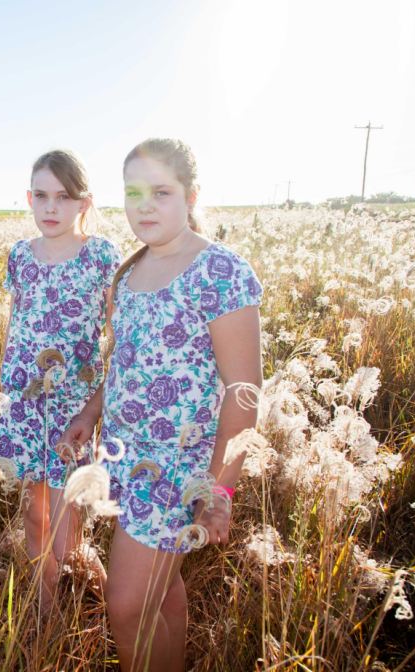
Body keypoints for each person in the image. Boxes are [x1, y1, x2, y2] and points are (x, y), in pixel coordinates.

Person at [59, 138, 263, 671]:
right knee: (161, 591)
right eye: (133, 192)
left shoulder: (219, 271)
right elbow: (123, 366)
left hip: (179, 466)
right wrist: (89, 414)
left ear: (192, 196)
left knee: (125, 607)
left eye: (161, 191)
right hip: (125, 457)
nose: (144, 205)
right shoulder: (128, 273)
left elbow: (244, 392)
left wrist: (220, 487)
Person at [0, 149, 122, 613]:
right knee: (34, 515)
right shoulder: (19, 257)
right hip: (25, 404)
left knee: (68, 534)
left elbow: (118, 332)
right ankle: (44, 616)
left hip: (73, 408)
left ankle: (110, 607)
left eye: (63, 197)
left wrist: (99, 404)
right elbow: (16, 322)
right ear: (29, 198)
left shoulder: (101, 255)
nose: (51, 208)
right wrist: (5, 387)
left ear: (83, 203)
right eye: (42, 196)